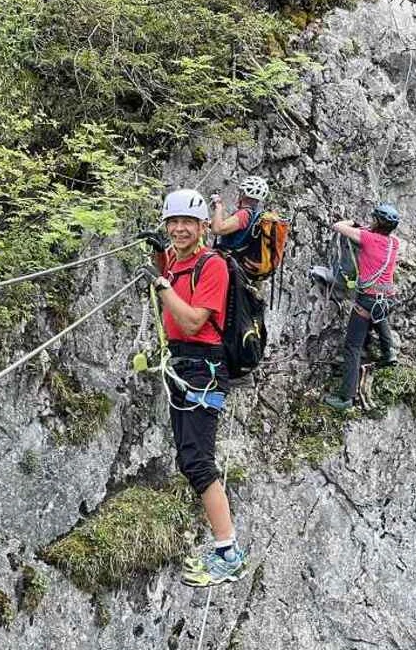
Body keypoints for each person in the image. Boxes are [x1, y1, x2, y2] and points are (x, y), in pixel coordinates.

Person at [140, 188, 248, 587]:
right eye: (173, 222)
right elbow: (168, 269)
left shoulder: (213, 266)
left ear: (204, 226)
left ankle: (229, 553)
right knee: (189, 460)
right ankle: (225, 549)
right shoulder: (175, 258)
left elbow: (191, 323)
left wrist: (161, 285)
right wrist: (157, 259)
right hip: (183, 366)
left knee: (199, 463)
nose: (180, 229)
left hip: (203, 368)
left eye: (188, 222)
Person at [322, 203, 402, 411]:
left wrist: (352, 223)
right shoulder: (394, 243)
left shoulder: (367, 238)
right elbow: (375, 234)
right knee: (379, 317)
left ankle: (346, 397)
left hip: (367, 299)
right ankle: (388, 354)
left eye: (374, 218)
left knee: (352, 346)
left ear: (378, 222)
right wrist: (366, 227)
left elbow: (337, 226)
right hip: (386, 297)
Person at [210, 175, 268, 253]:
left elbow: (217, 229)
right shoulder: (254, 214)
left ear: (244, 194)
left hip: (226, 257)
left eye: (241, 192)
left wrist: (218, 205)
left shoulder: (244, 214)